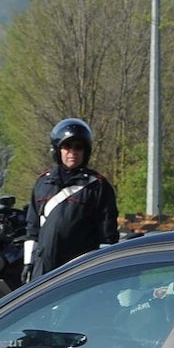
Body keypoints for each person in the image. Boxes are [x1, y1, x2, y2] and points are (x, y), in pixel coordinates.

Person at [24, 118, 118, 280]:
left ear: (85, 151)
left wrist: (103, 270)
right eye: (67, 146)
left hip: (79, 269)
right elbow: (32, 230)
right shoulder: (43, 183)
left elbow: (107, 235)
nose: (72, 152)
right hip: (43, 268)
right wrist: (28, 263)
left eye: (78, 147)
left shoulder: (98, 186)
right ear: (57, 150)